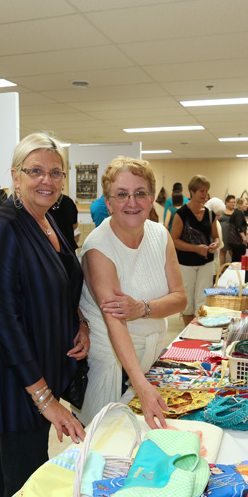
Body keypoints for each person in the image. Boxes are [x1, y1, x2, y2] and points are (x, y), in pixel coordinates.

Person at [0, 132, 89, 497]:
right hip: (10, 371)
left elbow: (63, 283)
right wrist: (44, 399)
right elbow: (4, 318)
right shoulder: (1, 227)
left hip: (35, 363)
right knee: (27, 472)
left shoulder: (47, 219)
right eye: (35, 171)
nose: (46, 180)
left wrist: (80, 321)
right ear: (15, 176)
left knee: (11, 458)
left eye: (55, 172)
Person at [76, 157, 185, 427]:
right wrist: (141, 384)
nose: (132, 202)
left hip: (148, 355)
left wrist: (143, 308)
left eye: (140, 193)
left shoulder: (160, 235)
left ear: (151, 198)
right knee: (108, 437)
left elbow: (180, 298)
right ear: (108, 201)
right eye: (122, 194)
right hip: (111, 362)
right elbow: (116, 322)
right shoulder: (98, 248)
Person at [171, 175, 219, 325]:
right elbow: (174, 240)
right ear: (192, 191)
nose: (205, 195)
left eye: (206, 191)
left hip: (206, 263)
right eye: (201, 191)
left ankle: (200, 331)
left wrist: (215, 244)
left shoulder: (210, 214)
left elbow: (216, 237)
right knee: (187, 300)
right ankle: (188, 331)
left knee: (203, 299)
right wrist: (195, 248)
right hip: (186, 264)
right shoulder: (181, 214)